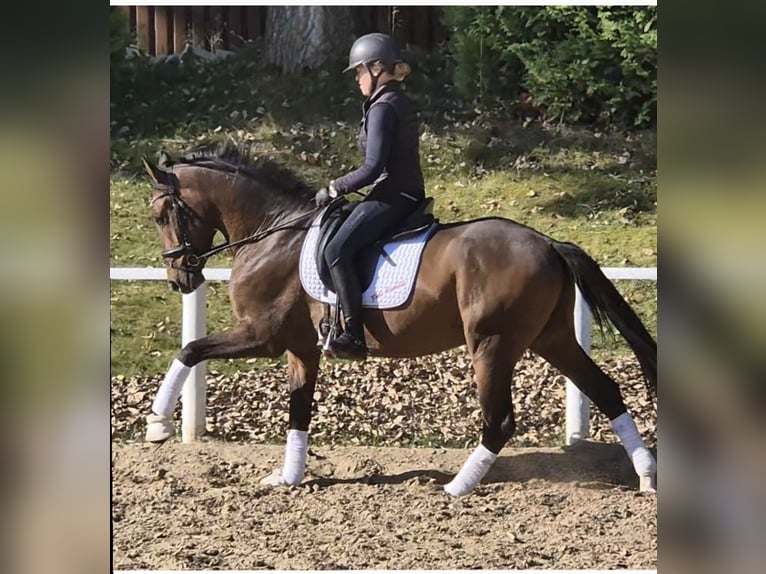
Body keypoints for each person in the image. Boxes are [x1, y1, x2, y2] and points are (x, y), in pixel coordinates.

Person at [315, 32, 425, 360]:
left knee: (336, 250)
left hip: (393, 194)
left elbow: (373, 167)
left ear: (375, 69)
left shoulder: (383, 107)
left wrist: (336, 187)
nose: (358, 80)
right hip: (402, 191)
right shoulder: (396, 100)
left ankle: (352, 335)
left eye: (359, 73)